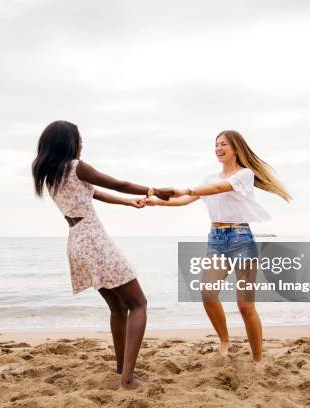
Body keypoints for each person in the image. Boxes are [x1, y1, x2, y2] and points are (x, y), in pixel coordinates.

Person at [32, 120, 173, 389]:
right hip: (94, 240)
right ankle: (128, 380)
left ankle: (122, 368)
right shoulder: (76, 167)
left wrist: (129, 203)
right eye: (79, 139)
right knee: (139, 304)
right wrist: (154, 191)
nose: (81, 143)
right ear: (68, 142)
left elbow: (94, 193)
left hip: (77, 242)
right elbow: (118, 183)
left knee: (118, 307)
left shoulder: (52, 173)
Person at [145, 130, 291, 362]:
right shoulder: (210, 177)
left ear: (236, 148)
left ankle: (257, 359)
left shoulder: (244, 174)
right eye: (216, 145)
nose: (218, 148)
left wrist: (188, 189)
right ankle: (224, 339)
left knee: (245, 306)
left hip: (241, 239)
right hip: (216, 239)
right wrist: (155, 203)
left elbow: (219, 189)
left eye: (223, 144)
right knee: (207, 292)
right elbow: (185, 200)